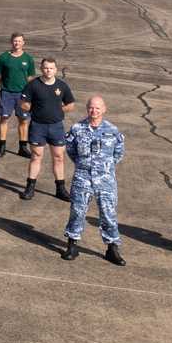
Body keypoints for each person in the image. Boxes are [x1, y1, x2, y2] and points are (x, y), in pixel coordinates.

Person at [64, 95, 126, 265]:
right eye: (91, 107)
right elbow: (70, 150)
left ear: (104, 109)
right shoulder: (77, 129)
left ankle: (112, 248)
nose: (94, 111)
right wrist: (83, 164)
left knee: (108, 213)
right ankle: (72, 244)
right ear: (87, 108)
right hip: (82, 178)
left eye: (98, 108)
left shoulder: (113, 130)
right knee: (77, 211)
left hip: (105, 180)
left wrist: (104, 168)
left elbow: (118, 153)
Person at [19, 57, 75, 201]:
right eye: (45, 68)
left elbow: (70, 104)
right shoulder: (33, 85)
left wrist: (58, 110)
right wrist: (35, 110)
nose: (48, 70)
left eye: (51, 68)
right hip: (38, 127)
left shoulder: (62, 86)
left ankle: (60, 189)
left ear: (55, 70)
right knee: (36, 156)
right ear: (41, 69)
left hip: (56, 127)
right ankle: (30, 188)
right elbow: (23, 102)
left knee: (59, 157)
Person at [0, 34, 37, 157]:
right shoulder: (3, 58)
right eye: (15, 41)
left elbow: (30, 77)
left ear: (23, 43)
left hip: (22, 94)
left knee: (23, 120)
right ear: (11, 42)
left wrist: (29, 93)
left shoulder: (28, 59)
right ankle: (2, 147)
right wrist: (3, 85)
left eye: (19, 41)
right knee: (4, 118)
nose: (17, 43)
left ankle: (22, 147)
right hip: (6, 93)